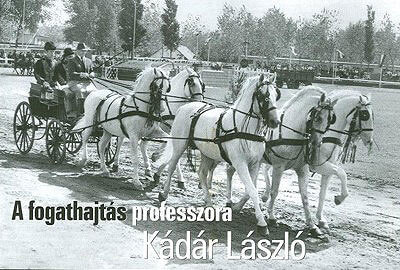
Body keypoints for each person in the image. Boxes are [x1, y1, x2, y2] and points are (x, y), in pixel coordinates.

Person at [65, 42, 96, 117]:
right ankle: (80, 114)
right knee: (81, 92)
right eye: (82, 50)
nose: (84, 52)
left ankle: (93, 113)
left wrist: (92, 74)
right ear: (77, 51)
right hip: (75, 83)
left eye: (85, 51)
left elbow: (92, 70)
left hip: (87, 83)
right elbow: (71, 74)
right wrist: (81, 74)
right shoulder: (72, 60)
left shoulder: (88, 60)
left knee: (95, 93)